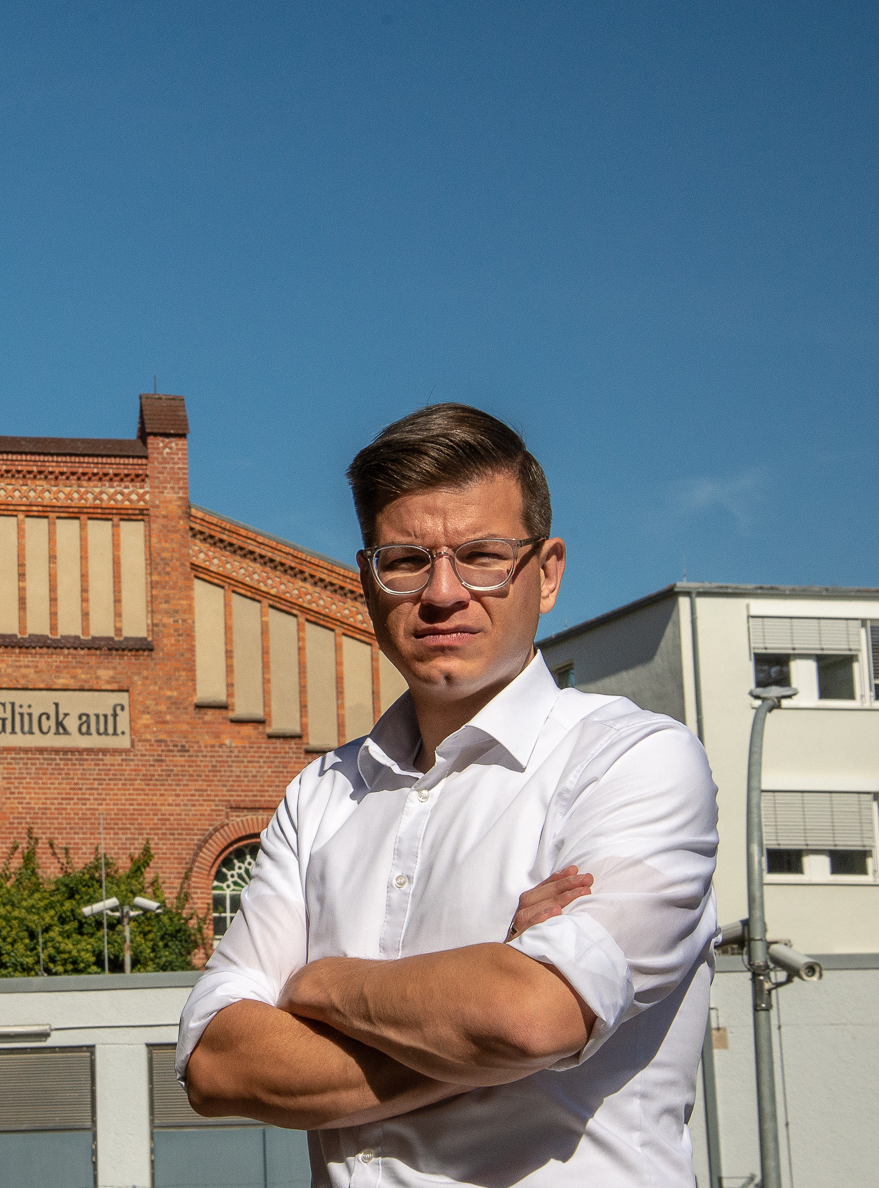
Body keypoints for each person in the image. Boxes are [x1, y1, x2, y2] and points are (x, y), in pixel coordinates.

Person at [178, 403, 718, 1186]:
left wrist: (319, 983)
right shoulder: (322, 796)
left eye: (483, 556)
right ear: (367, 578)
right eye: (405, 561)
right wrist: (487, 999)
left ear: (548, 571)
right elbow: (217, 1066)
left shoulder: (633, 763)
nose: (442, 593)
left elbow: (530, 1017)